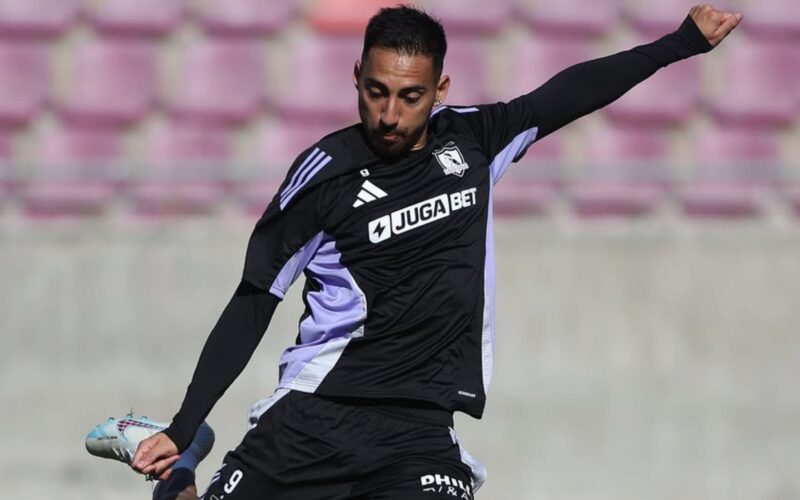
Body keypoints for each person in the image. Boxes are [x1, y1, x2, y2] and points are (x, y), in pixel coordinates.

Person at [91, 4, 743, 499]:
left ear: (439, 88)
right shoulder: (324, 176)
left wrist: (680, 44)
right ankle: (179, 459)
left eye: (409, 96)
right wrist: (186, 420)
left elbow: (566, 95)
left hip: (419, 426)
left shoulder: (475, 143)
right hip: (316, 414)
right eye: (376, 92)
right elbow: (254, 300)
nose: (390, 114)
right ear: (356, 79)